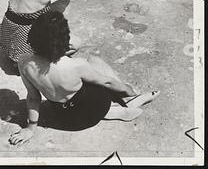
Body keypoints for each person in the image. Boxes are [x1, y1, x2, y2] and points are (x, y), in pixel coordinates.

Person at [9, 11, 160, 146]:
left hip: (66, 119)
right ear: (64, 40)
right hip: (94, 109)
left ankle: (114, 111)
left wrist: (30, 128)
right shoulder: (76, 65)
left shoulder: (24, 63)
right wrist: (127, 89)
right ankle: (127, 100)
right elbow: (107, 82)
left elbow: (33, 98)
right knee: (94, 61)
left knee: (77, 87)